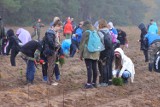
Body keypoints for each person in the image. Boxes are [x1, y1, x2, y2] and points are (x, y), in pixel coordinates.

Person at [79, 21, 100, 89]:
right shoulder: (95, 31)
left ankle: (88, 84)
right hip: (96, 52)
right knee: (95, 68)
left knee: (89, 68)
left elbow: (82, 44)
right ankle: (94, 83)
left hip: (88, 53)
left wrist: (81, 54)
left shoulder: (86, 33)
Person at [42, 20, 62, 85]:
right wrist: (56, 46)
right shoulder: (50, 32)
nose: (60, 29)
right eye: (60, 27)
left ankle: (50, 80)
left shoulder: (51, 32)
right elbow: (51, 42)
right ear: (56, 26)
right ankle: (50, 81)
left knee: (52, 65)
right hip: (50, 51)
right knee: (51, 66)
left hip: (51, 50)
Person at [97, 19, 114, 86]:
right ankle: (109, 80)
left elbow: (99, 42)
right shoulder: (109, 31)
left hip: (103, 51)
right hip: (110, 50)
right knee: (109, 66)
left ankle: (104, 82)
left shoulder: (99, 32)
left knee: (103, 66)